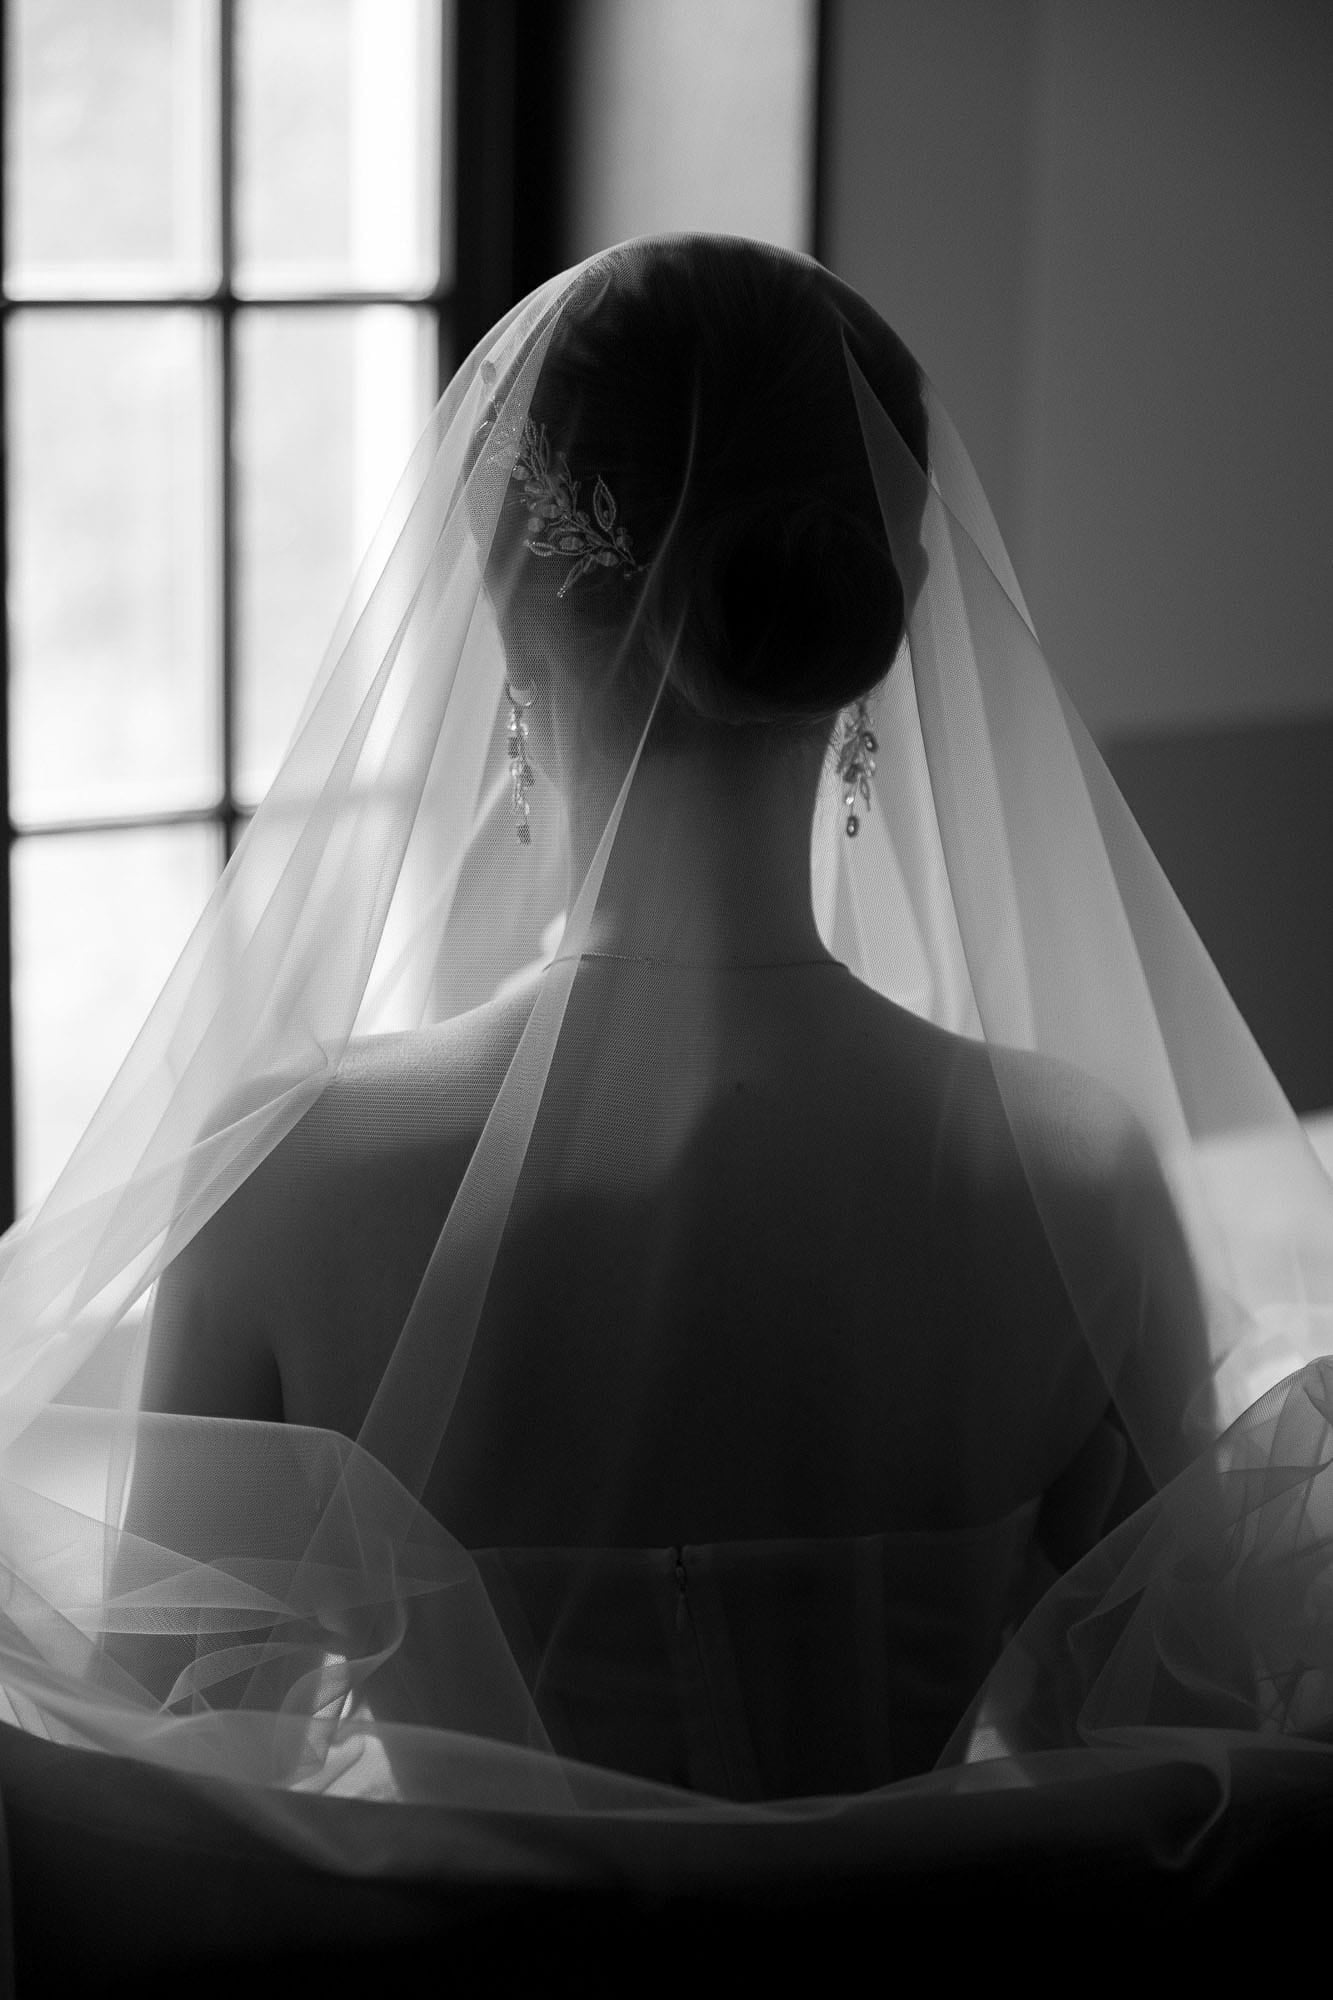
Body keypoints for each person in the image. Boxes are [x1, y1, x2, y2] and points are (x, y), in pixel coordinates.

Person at [0, 237, 1330, 1863]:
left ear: (501, 628)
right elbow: (1156, 1786)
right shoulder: (1072, 1180)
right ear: (882, 624)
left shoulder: (291, 1183)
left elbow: (164, 1825)